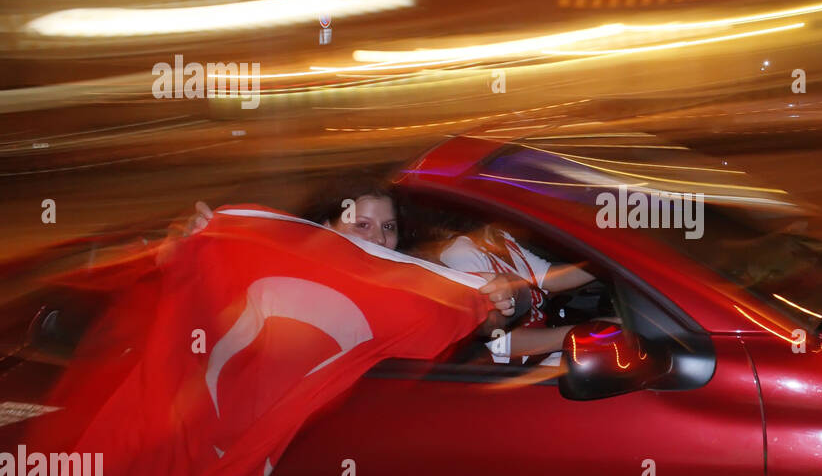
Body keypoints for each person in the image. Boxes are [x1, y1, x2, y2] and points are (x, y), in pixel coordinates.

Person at [182, 176, 519, 321]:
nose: (379, 239)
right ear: (326, 227)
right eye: (362, 225)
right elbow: (216, 302)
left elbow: (467, 316)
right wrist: (197, 245)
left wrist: (496, 296)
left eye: (388, 227)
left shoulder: (410, 278)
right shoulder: (289, 277)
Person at [432, 221, 601, 365]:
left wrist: (604, 263)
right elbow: (503, 343)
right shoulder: (459, 253)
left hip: (542, 344)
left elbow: (549, 278)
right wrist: (586, 335)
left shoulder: (497, 236)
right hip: (518, 366)